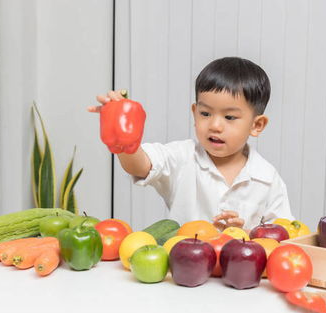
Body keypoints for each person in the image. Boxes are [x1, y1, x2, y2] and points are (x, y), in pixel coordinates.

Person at [88, 57, 294, 230]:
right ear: (194, 113)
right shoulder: (182, 157)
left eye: (229, 117)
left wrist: (246, 235)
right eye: (205, 113)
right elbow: (140, 166)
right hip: (183, 272)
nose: (214, 125)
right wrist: (124, 140)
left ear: (257, 125)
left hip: (239, 275)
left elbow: (282, 237)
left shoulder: (267, 179)